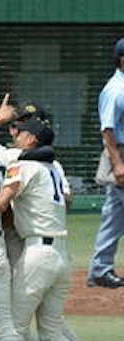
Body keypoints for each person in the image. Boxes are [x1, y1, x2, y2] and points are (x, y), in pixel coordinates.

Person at [0, 117, 107, 341]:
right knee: (49, 330)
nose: (16, 136)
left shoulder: (23, 166)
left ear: (32, 140)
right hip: (62, 254)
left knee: (12, 324)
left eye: (21, 133)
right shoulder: (54, 169)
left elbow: (0, 204)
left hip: (37, 253)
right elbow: (67, 201)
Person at [88, 37, 124, 288]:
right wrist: (118, 164)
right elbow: (107, 130)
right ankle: (100, 269)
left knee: (114, 215)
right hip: (120, 152)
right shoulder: (115, 89)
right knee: (114, 213)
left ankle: (100, 269)